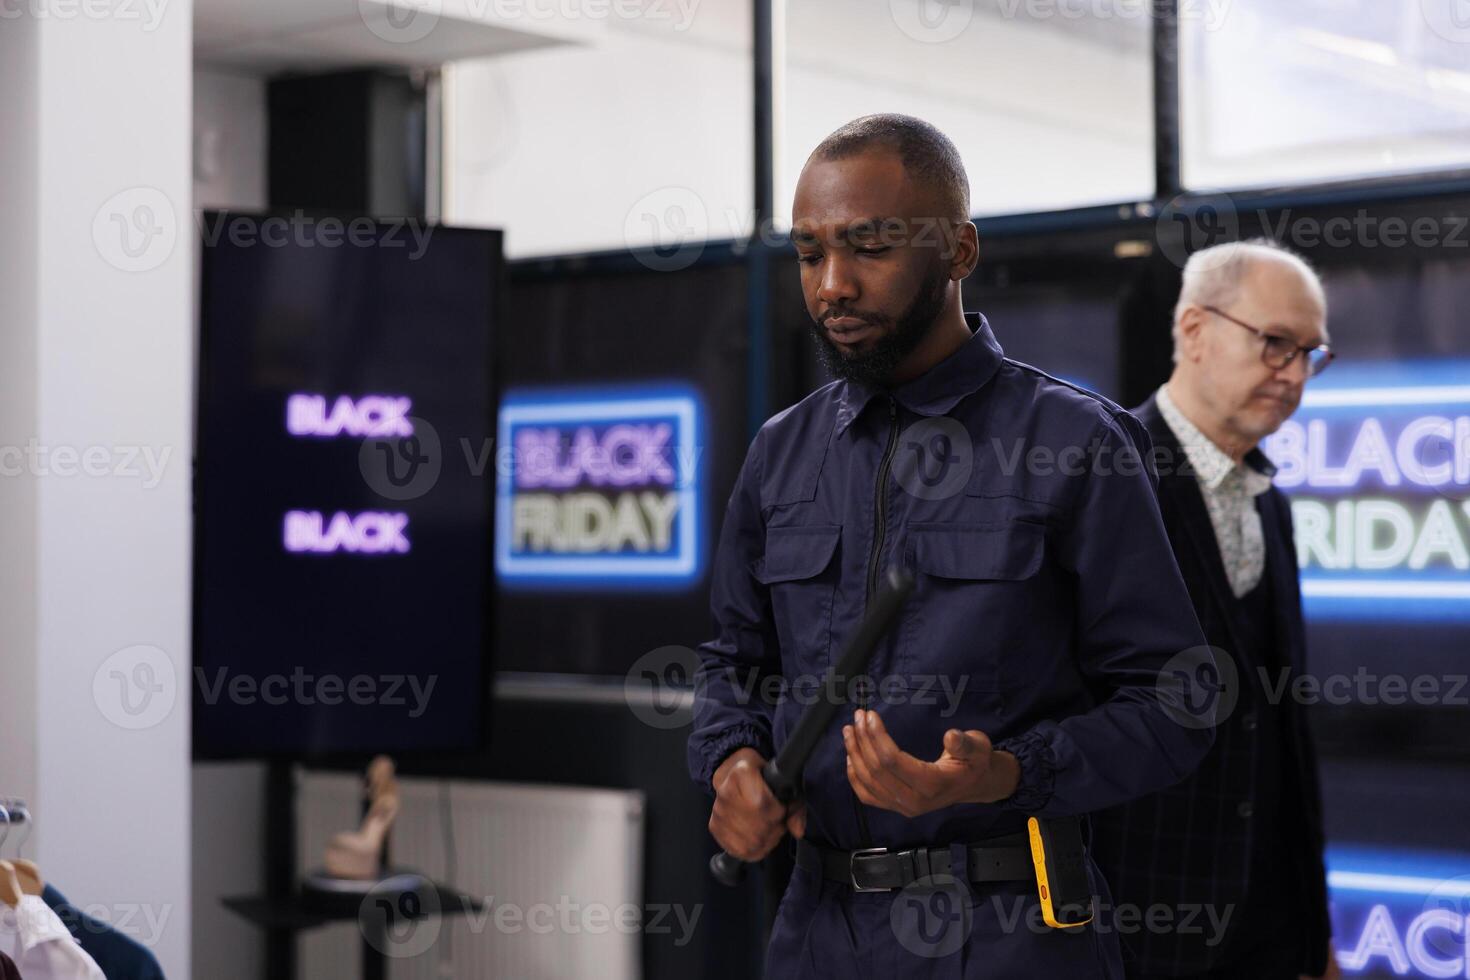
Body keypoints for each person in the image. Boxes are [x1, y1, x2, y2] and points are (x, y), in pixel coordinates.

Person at [686, 113, 1217, 979]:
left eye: (869, 248)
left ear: (959, 251)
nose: (832, 286)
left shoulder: (1075, 442)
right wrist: (730, 762)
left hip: (1011, 933)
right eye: (811, 253)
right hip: (814, 933)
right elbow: (732, 663)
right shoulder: (782, 451)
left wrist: (1003, 773)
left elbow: (1177, 704)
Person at [1090, 239, 1338, 980]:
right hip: (1137, 931)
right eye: (1274, 344)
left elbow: (1284, 737)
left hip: (1268, 931)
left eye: (1309, 354)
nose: (1292, 374)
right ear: (1194, 331)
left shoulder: (1273, 507)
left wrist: (1311, 929)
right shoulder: (1104, 479)